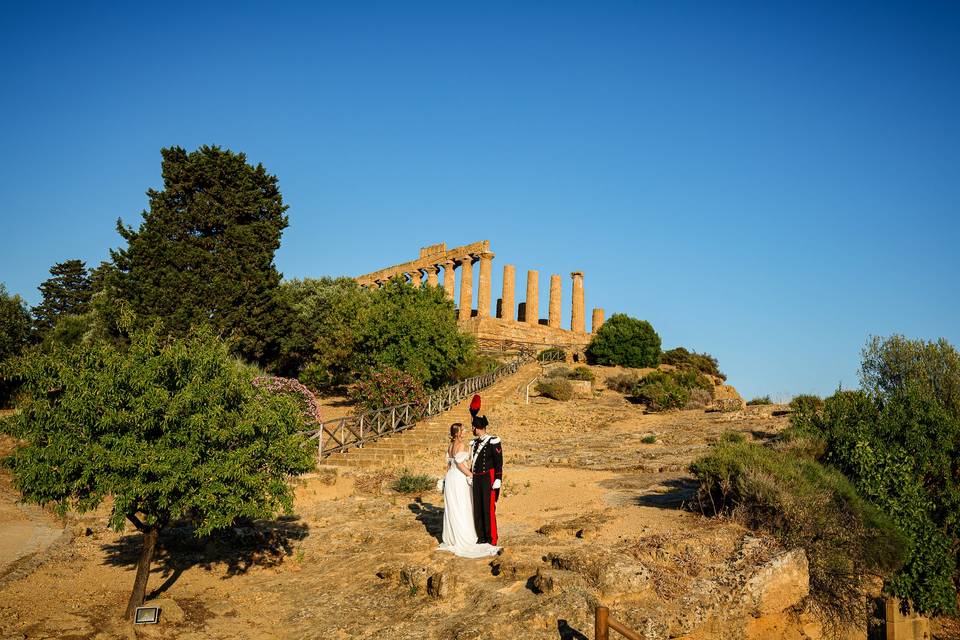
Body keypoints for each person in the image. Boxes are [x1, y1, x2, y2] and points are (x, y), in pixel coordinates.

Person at [436, 423, 500, 558]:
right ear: (458, 433)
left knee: (454, 507)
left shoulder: (450, 446)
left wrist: (445, 479)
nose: (466, 431)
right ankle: (464, 536)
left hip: (451, 477)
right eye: (463, 430)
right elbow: (460, 464)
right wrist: (471, 475)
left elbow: (449, 465)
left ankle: (453, 537)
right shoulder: (461, 445)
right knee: (463, 506)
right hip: (459, 477)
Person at [470, 415, 502, 546]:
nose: (472, 429)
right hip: (477, 477)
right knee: (477, 507)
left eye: (473, 427)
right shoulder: (475, 443)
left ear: (477, 428)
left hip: (488, 477)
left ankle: (491, 537)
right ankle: (481, 536)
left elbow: (499, 462)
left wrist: (498, 478)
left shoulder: (493, 441)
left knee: (488, 508)